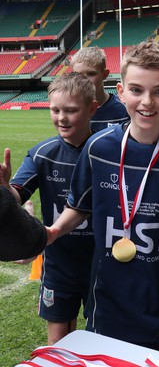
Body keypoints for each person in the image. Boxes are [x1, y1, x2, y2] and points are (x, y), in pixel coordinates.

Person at [47, 39, 159, 362]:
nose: (147, 101)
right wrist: (51, 232)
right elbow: (78, 208)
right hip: (107, 309)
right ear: (120, 91)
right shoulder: (98, 149)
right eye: (136, 90)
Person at [0, 72, 97, 345]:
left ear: (92, 108)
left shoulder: (107, 151)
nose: (61, 118)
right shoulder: (42, 153)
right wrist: (6, 188)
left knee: (99, 338)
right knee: (58, 343)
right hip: (59, 261)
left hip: (101, 263)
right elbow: (16, 196)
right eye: (55, 110)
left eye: (71, 110)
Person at [70, 46, 130, 131]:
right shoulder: (69, 110)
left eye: (91, 74)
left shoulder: (124, 109)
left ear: (105, 74)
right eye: (78, 75)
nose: (84, 80)